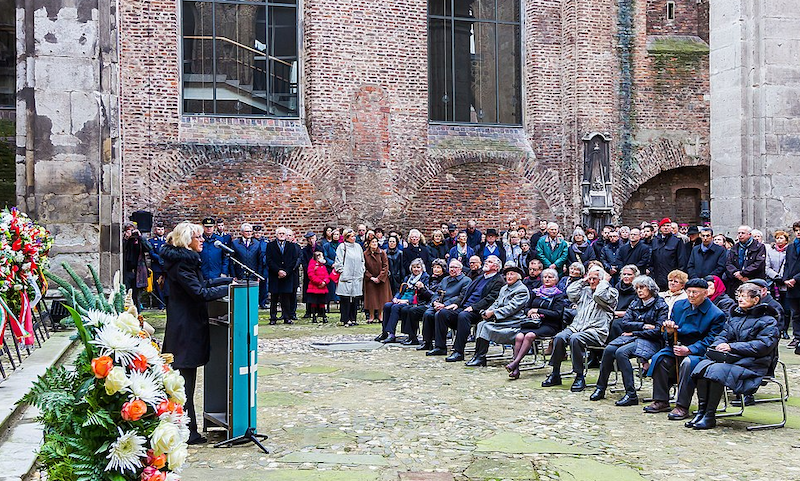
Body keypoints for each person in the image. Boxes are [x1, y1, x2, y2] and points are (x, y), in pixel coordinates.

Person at [160, 221, 232, 445]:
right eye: (197, 238)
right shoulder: (182, 265)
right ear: (186, 241)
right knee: (184, 384)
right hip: (185, 331)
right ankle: (187, 431)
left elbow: (203, 283)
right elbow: (199, 292)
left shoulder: (185, 262)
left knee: (186, 382)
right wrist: (228, 289)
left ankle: (187, 428)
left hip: (187, 328)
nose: (202, 240)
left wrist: (228, 280)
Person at [688, 283, 780, 429]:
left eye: (744, 296)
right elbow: (723, 334)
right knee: (702, 367)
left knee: (716, 371)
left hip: (755, 363)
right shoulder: (735, 317)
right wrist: (718, 346)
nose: (740, 299)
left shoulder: (768, 321)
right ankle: (702, 412)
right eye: (739, 296)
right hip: (734, 359)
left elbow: (763, 346)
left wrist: (732, 347)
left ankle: (710, 415)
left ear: (755, 300)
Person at [643, 278, 726, 421]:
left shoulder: (716, 314)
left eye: (695, 292)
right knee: (660, 358)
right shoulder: (679, 305)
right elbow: (670, 332)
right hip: (677, 345)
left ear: (705, 293)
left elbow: (712, 340)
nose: (691, 296)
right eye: (689, 292)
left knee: (688, 363)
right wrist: (669, 331)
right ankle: (661, 399)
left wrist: (690, 349)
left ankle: (682, 405)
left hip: (699, 352)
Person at [590, 275, 668, 406]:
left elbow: (658, 330)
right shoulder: (635, 302)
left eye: (642, 287)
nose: (639, 291)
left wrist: (635, 330)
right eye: (637, 288)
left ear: (650, 289)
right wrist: (642, 326)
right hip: (634, 336)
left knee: (621, 352)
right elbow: (624, 323)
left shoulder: (661, 305)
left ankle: (631, 394)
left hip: (652, 341)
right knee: (609, 349)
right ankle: (600, 387)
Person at [541, 266, 619, 392]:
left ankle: (579, 375)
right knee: (559, 337)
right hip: (577, 327)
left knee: (575, 339)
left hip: (596, 331)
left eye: (595, 279)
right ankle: (555, 373)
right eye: (590, 278)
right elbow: (570, 292)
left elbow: (598, 296)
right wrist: (584, 280)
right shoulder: (585, 290)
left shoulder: (611, 292)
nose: (592, 281)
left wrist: (604, 281)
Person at [427, 256, 504, 361]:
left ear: (496, 267)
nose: (486, 263)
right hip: (465, 307)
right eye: (486, 261)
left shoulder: (498, 281)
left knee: (463, 316)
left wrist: (473, 307)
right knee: (442, 313)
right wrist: (457, 304)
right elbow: (465, 293)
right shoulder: (480, 277)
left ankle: (458, 352)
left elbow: (490, 299)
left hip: (479, 311)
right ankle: (440, 347)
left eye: (489, 262)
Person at [504, 268, 570, 379]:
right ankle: (516, 369)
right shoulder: (536, 292)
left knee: (529, 336)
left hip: (550, 325)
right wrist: (530, 312)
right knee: (519, 336)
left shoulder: (558, 295)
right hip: (533, 323)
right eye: (545, 277)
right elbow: (526, 308)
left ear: (556, 280)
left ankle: (515, 363)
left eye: (550, 277)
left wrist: (538, 311)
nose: (547, 279)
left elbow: (557, 314)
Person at [465, 264, 531, 367]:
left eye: (512, 274)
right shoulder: (504, 288)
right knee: (481, 324)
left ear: (518, 277)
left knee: (486, 326)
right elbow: (496, 302)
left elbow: (511, 308)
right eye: (507, 274)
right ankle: (478, 355)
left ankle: (480, 357)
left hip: (514, 322)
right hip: (502, 320)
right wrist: (488, 311)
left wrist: (494, 313)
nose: (508, 277)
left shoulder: (521, 290)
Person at [418, 259, 471, 352]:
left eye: (455, 267)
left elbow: (461, 297)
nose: (452, 269)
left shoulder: (466, 281)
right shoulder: (445, 279)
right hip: (440, 304)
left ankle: (440, 346)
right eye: (451, 267)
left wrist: (445, 304)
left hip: (453, 307)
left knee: (440, 315)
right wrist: (435, 302)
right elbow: (437, 293)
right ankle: (427, 342)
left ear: (460, 269)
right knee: (428, 313)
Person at [376, 258, 429, 343]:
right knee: (387, 305)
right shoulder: (408, 278)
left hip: (413, 301)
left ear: (422, 268)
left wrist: (407, 301)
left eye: (418, 267)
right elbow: (400, 290)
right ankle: (385, 332)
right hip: (402, 298)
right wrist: (396, 298)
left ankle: (391, 334)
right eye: (414, 267)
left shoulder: (425, 278)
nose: (416, 269)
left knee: (395, 307)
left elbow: (422, 294)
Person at [401, 259, 447, 345]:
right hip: (425, 302)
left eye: (438, 268)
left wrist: (423, 289)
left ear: (443, 269)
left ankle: (418, 338)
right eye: (434, 267)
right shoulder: (431, 278)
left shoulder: (444, 280)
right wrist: (419, 290)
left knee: (413, 311)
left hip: (435, 304)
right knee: (407, 309)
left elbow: (435, 295)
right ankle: (411, 336)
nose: (436, 269)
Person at [264, 227, 300, 325]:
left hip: (287, 276)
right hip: (275, 275)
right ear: (276, 234)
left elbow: (293, 260)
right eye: (280, 233)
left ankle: (287, 317)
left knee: (286, 298)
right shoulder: (270, 246)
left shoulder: (291, 246)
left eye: (283, 233)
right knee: (274, 298)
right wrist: (278, 271)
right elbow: (269, 260)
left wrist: (286, 272)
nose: (281, 235)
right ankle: (273, 317)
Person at [333, 229, 366, 327]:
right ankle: (345, 319)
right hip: (346, 275)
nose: (354, 238)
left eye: (354, 236)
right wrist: (342, 271)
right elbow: (338, 260)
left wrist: (362, 270)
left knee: (355, 298)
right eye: (351, 236)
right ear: (346, 237)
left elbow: (361, 260)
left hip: (357, 276)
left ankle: (353, 318)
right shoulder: (342, 247)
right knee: (345, 298)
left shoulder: (358, 247)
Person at [725, 225, 767, 295]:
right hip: (736, 280)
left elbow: (759, 263)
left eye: (743, 233)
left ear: (749, 234)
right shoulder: (735, 247)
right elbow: (729, 263)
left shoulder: (759, 247)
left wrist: (743, 273)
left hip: (753, 279)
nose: (740, 235)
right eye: (739, 233)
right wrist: (737, 274)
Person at [650, 218, 688, 290]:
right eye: (663, 226)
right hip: (658, 277)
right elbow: (652, 260)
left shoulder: (677, 241)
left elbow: (682, 260)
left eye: (668, 225)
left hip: (672, 277)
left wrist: (679, 276)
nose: (666, 227)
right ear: (660, 228)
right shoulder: (655, 241)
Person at [766, 229, 791, 338]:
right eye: (777, 238)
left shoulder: (789, 251)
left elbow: (788, 265)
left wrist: (782, 277)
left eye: (781, 238)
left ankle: (784, 329)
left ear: (786, 240)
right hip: (773, 282)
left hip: (785, 282)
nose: (779, 240)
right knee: (774, 306)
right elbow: (766, 266)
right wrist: (775, 276)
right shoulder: (770, 251)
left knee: (786, 308)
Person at [122, 222, 151, 310]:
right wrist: (126, 239)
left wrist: (140, 237)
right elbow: (120, 251)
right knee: (126, 294)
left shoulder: (139, 240)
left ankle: (138, 314)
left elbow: (149, 248)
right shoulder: (124, 240)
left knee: (136, 296)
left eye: (132, 229)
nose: (131, 232)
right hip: (127, 271)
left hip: (138, 271)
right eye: (128, 230)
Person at [363, 237, 392, 324]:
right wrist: (370, 277)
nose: (374, 243)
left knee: (381, 297)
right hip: (370, 279)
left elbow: (385, 266)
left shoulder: (382, 253)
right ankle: (371, 316)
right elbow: (363, 267)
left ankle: (380, 315)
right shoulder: (365, 254)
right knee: (371, 298)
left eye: (376, 242)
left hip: (382, 279)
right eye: (373, 242)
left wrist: (380, 278)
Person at [306, 250, 336, 323]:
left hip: (322, 287)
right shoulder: (313, 265)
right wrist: (319, 282)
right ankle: (314, 316)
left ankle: (323, 315)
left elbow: (327, 275)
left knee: (322, 302)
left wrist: (325, 282)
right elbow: (311, 275)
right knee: (314, 302)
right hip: (314, 287)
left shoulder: (323, 266)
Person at [783, 221, 800, 352]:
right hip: (792, 286)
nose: (798, 232)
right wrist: (786, 279)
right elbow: (787, 265)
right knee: (795, 313)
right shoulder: (790, 247)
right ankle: (797, 336)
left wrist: (795, 279)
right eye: (796, 230)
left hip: (797, 282)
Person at [149, 224, 168, 307]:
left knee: (166, 285)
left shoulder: (167, 241)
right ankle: (161, 304)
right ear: (155, 231)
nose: (160, 231)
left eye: (162, 229)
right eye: (158, 229)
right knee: (157, 285)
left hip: (166, 266)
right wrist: (160, 258)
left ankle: (167, 302)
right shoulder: (152, 241)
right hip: (157, 266)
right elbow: (151, 253)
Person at [300, 232, 318, 317]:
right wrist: (310, 270)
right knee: (308, 292)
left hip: (318, 274)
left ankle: (319, 310)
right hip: (309, 274)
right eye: (309, 239)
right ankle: (308, 311)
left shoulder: (320, 248)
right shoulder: (305, 250)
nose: (311, 241)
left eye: (312, 238)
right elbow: (304, 262)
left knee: (318, 292)